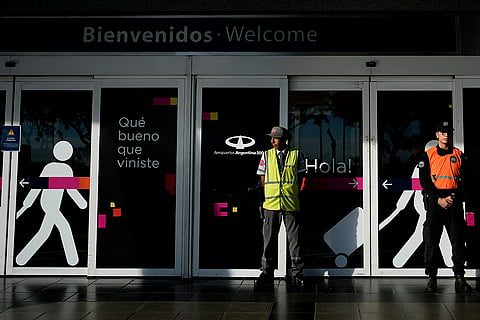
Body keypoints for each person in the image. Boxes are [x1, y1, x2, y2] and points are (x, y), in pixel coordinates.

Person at [418, 121, 472, 293]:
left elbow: (465, 181)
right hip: (435, 202)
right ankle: (432, 279)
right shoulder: (428, 155)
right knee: (431, 240)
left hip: (453, 202)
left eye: (448, 132)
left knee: (457, 241)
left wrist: (452, 197)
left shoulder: (459, 155)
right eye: (443, 132)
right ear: (437, 135)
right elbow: (425, 182)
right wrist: (439, 199)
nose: (446, 135)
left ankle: (459, 279)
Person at [254, 126, 306, 287]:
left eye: (275, 138)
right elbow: (263, 179)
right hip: (271, 205)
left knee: (294, 240)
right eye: (271, 138)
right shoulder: (266, 155)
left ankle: (297, 274)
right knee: (268, 240)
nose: (271, 141)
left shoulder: (297, 155)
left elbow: (302, 179)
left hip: (290, 205)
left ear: (284, 140)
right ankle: (266, 272)